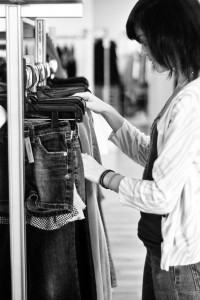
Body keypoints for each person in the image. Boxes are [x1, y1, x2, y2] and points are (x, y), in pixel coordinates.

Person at [74, 0, 200, 299]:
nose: (142, 52)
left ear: (172, 36)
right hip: (162, 249)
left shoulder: (190, 102)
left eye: (145, 42)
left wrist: (103, 175)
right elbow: (154, 155)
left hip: (178, 261)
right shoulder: (185, 90)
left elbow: (160, 195)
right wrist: (109, 112)